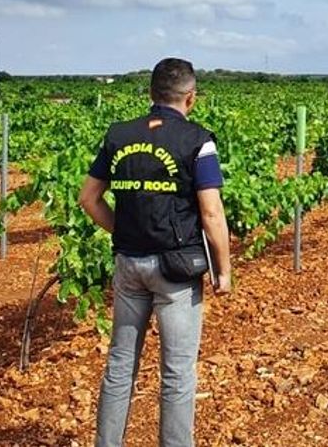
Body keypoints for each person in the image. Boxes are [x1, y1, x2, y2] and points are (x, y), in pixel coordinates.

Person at [79, 57, 232, 447]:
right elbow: (211, 212)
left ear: (151, 95)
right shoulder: (198, 140)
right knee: (178, 373)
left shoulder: (119, 135)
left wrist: (126, 230)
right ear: (191, 98)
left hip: (129, 265)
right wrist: (223, 272)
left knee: (119, 364)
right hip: (176, 272)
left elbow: (89, 198)